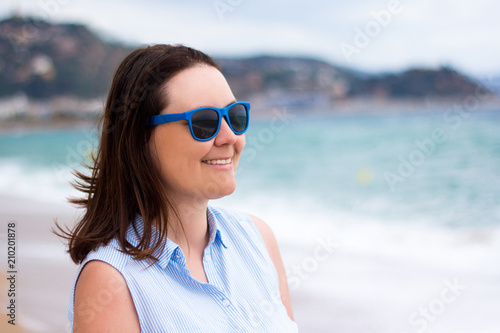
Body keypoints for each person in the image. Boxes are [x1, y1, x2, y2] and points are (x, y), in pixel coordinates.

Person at [58, 44, 298, 332]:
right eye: (204, 122)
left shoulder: (258, 239)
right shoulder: (112, 282)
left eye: (235, 117)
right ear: (140, 139)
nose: (229, 136)